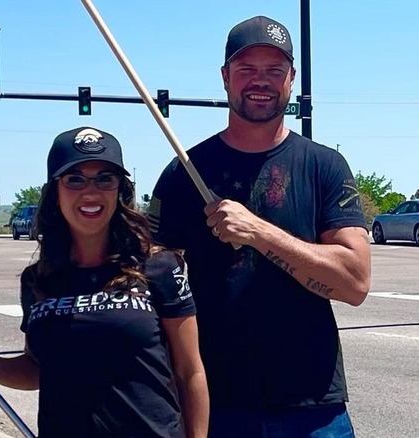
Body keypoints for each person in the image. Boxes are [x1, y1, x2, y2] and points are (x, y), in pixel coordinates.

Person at [146, 15, 371, 437]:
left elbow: (355, 284)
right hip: (218, 407)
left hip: (314, 410)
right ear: (225, 77)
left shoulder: (323, 166)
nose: (260, 81)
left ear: (291, 79)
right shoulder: (185, 173)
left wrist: (259, 231)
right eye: (247, 69)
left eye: (274, 70)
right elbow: (149, 283)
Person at [0, 127, 209, 437]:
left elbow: (190, 371)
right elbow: (37, 369)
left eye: (104, 179)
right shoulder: (39, 280)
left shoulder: (158, 266)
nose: (90, 191)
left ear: (119, 190)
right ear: (55, 192)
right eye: (75, 179)